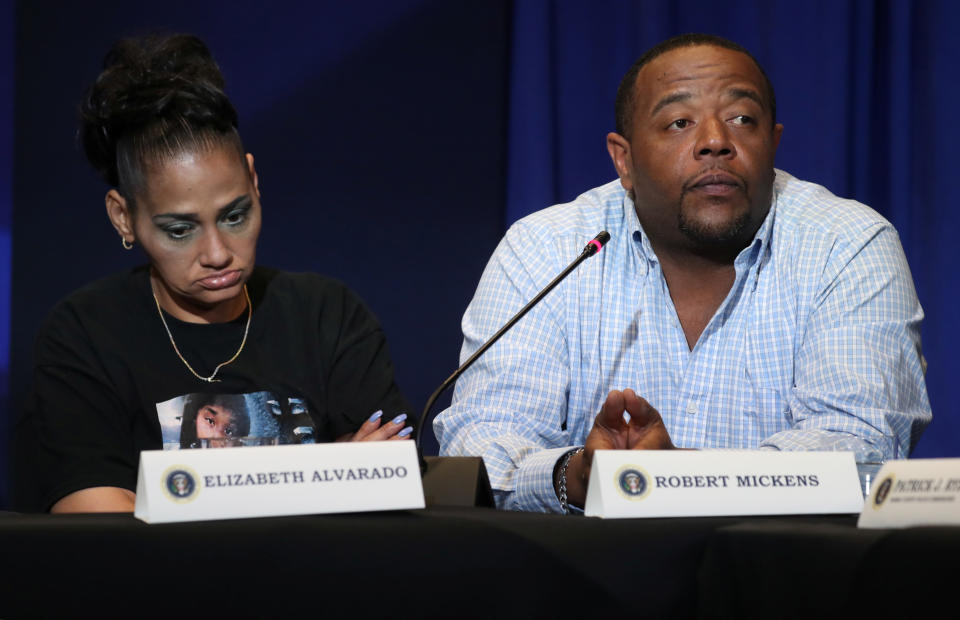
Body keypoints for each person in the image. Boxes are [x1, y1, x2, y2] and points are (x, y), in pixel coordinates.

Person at [434, 33, 932, 513]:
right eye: (678, 123)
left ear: (773, 143)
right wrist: (580, 476)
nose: (716, 141)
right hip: (584, 579)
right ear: (623, 159)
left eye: (742, 118)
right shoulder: (546, 248)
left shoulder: (845, 243)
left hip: (784, 579)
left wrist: (670, 481)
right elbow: (480, 442)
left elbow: (860, 449)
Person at [16, 34, 413, 514]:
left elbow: (389, 478)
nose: (219, 253)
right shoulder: (85, 334)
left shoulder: (327, 316)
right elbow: (96, 515)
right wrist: (328, 479)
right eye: (180, 230)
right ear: (123, 216)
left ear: (254, 181)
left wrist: (169, 500)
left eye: (234, 215)